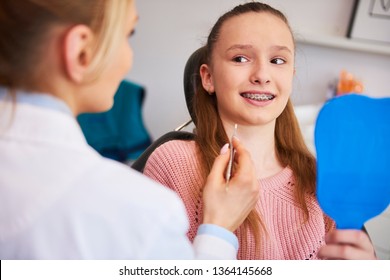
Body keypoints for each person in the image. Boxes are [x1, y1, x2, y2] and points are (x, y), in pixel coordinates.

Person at [0, 0, 260, 259]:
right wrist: (218, 231)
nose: (262, 76)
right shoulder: (141, 212)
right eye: (128, 35)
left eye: (279, 60)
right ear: (82, 51)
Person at [143, 2, 377, 260]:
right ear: (208, 78)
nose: (262, 75)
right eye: (240, 58)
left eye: (278, 60)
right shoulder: (172, 163)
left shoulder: (320, 181)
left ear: (291, 76)